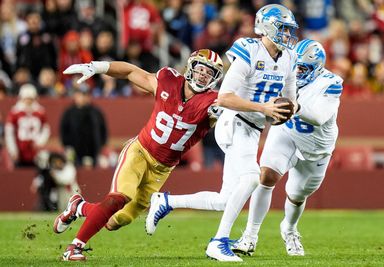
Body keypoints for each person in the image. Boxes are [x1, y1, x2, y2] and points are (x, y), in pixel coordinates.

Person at [146, 4, 298, 262]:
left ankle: (166, 202)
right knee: (251, 179)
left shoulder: (289, 58)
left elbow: (290, 101)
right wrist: (264, 108)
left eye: (288, 29)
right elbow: (224, 98)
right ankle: (218, 242)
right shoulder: (249, 50)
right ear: (267, 27)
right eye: (282, 28)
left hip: (253, 128)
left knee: (224, 200)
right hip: (233, 120)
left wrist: (290, 110)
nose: (286, 34)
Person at [53, 49, 232, 261]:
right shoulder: (167, 81)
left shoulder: (214, 102)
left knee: (115, 221)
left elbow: (234, 109)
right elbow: (130, 72)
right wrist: (97, 66)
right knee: (119, 197)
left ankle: (79, 207)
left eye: (209, 73)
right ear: (190, 67)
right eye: (201, 69)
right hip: (140, 150)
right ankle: (74, 247)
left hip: (163, 168)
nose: (203, 75)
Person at [231, 39, 343, 257]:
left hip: (316, 148)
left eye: (303, 68)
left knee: (297, 194)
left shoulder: (331, 82)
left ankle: (290, 229)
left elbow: (319, 117)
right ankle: (249, 236)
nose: (297, 72)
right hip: (286, 133)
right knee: (266, 176)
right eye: (295, 67)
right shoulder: (282, 68)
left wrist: (296, 105)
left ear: (316, 68)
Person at [60, 85, 107, 167]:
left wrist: (101, 146)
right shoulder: (69, 112)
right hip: (74, 151)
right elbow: (64, 130)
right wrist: (67, 146)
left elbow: (103, 130)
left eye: (86, 95)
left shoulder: (96, 112)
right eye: (81, 95)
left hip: (93, 151)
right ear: (75, 96)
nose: (83, 98)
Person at [5, 84, 50, 167]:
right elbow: (9, 132)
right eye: (26, 99)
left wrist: (40, 141)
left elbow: (46, 129)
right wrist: (13, 149)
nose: (28, 101)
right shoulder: (15, 112)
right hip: (20, 149)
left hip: (35, 149)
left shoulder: (40, 111)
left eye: (30, 99)